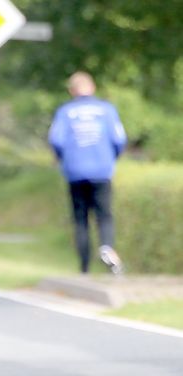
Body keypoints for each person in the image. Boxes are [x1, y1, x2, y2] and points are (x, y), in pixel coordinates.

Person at [49, 71, 126, 274]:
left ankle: (84, 267)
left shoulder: (65, 112)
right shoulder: (106, 110)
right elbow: (119, 139)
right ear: (92, 88)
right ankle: (106, 247)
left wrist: (62, 157)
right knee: (104, 215)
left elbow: (56, 139)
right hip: (101, 170)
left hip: (75, 170)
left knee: (80, 219)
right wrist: (111, 158)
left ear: (72, 91)